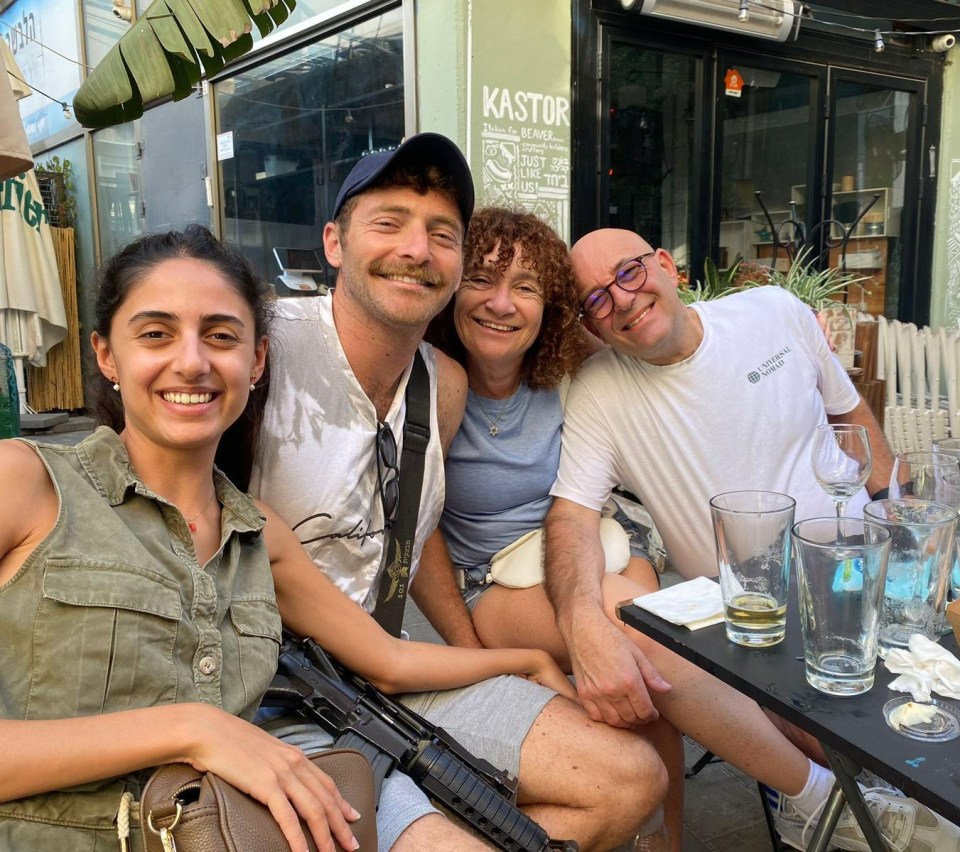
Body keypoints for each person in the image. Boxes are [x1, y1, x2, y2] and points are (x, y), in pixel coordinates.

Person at [0, 225, 600, 852]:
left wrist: (527, 660)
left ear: (256, 361)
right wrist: (192, 729)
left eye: (221, 336)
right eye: (155, 334)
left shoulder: (259, 532)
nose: (192, 361)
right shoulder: (30, 485)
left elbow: (389, 660)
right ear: (105, 355)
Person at [250, 134, 668, 850]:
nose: (417, 248)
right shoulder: (262, 347)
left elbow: (417, 527)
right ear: (334, 242)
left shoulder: (443, 384)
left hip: (392, 666)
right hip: (276, 691)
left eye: (441, 234)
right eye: (389, 223)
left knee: (634, 776)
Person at [544, 227, 959, 851]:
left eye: (629, 273)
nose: (622, 300)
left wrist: (904, 523)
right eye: (596, 300)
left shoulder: (774, 313)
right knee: (634, 620)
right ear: (591, 325)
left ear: (666, 265)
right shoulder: (601, 391)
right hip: (756, 614)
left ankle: (870, 802)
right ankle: (833, 800)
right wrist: (578, 623)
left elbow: (851, 416)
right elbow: (571, 517)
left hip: (865, 566)